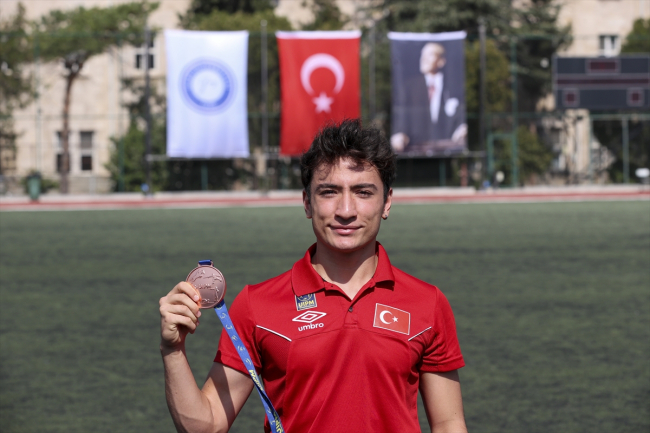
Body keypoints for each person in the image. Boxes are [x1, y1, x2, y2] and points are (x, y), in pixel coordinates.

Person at [159, 119, 467, 433]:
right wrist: (173, 350)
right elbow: (207, 426)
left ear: (386, 202)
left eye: (363, 192)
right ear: (307, 202)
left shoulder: (428, 303)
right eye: (329, 192)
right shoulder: (256, 305)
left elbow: (448, 424)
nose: (346, 210)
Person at [391, 42, 467, 154]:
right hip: (415, 151)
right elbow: (402, 115)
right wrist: (399, 134)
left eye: (430, 54)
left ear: (441, 61)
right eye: (422, 55)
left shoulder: (454, 86)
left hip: (446, 152)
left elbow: (460, 116)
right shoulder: (410, 87)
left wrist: (462, 127)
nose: (424, 58)